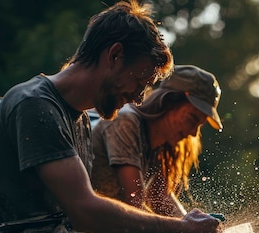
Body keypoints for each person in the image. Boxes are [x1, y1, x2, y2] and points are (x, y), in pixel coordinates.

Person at [0, 0, 221, 233]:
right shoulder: (35, 104)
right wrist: (184, 232)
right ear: (115, 55)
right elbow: (84, 211)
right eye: (139, 82)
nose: (139, 97)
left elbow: (66, 226)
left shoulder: (80, 119)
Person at [90, 64, 223, 218]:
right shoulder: (125, 121)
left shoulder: (161, 143)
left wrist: (194, 225)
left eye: (199, 126)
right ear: (169, 101)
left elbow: (161, 199)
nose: (193, 133)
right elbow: (134, 204)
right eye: (192, 119)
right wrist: (188, 230)